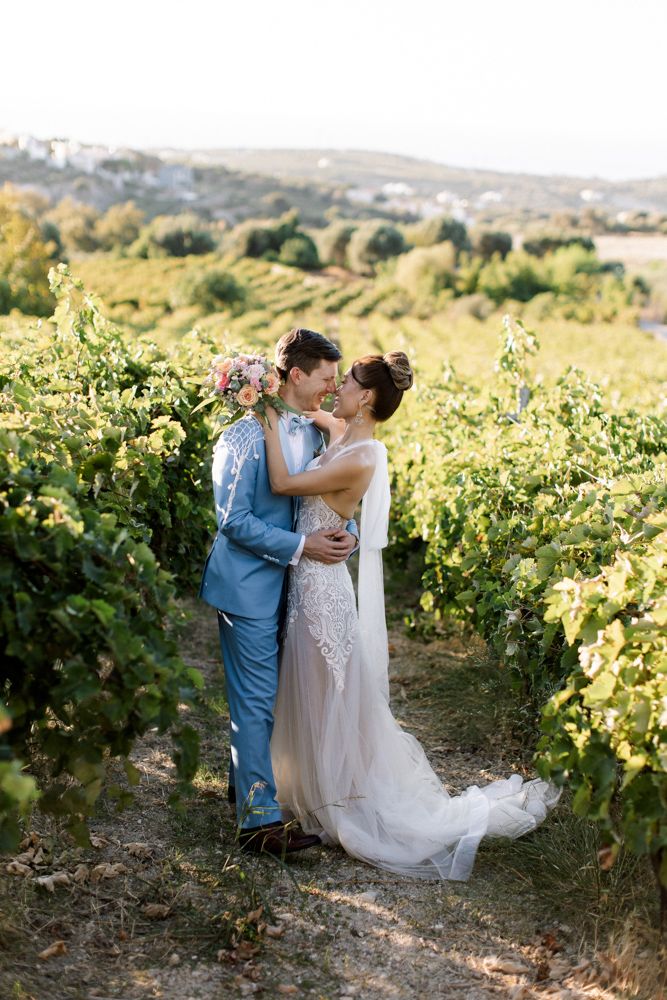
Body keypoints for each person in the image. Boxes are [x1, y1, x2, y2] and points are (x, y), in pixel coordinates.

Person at [262, 351, 559, 880]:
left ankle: (340, 801)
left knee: (326, 691)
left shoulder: (365, 455)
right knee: (311, 689)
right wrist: (295, 406)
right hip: (308, 578)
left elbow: (285, 484)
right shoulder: (346, 436)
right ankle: (311, 793)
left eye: (348, 381)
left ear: (369, 397)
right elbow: (326, 420)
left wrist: (261, 414)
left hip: (322, 588)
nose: (339, 388)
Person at [199, 328, 359, 856]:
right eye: (326, 379)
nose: (332, 391)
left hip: (299, 589)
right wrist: (302, 546)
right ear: (296, 374)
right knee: (256, 700)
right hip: (247, 586)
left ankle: (242, 782)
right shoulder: (242, 437)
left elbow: (329, 499)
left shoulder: (314, 434)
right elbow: (232, 521)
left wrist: (343, 538)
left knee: (270, 696)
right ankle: (258, 825)